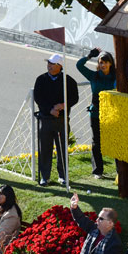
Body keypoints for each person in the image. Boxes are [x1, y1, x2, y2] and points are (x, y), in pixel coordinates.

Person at [34, 53, 79, 186]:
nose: (49, 66)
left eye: (52, 64)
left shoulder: (68, 80)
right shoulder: (41, 79)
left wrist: (63, 105)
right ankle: (45, 176)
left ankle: (63, 176)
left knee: (62, 149)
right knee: (45, 149)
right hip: (46, 119)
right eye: (48, 63)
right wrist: (50, 110)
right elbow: (38, 98)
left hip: (62, 120)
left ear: (60, 66)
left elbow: (74, 98)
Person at [76, 48, 116, 178]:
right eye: (100, 62)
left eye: (105, 62)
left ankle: (119, 171)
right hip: (95, 113)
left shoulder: (116, 76)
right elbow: (79, 65)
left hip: (111, 113)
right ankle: (98, 171)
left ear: (111, 63)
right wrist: (89, 56)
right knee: (96, 142)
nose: (103, 65)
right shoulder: (94, 76)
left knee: (114, 141)